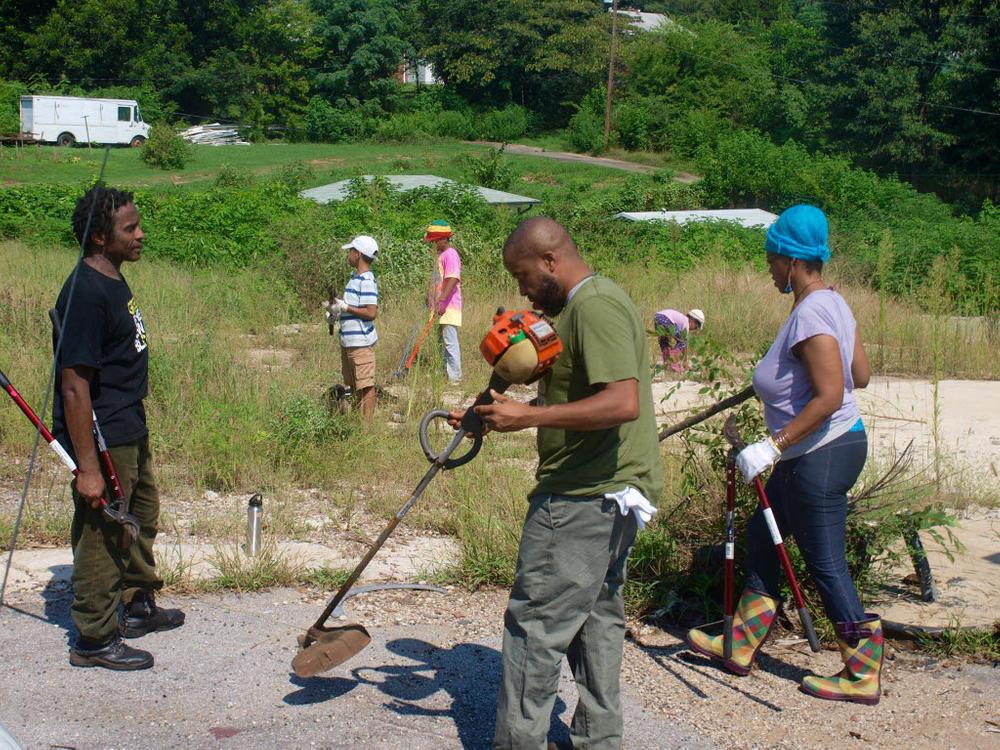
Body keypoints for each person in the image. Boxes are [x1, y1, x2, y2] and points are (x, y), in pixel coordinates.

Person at [454, 217, 663, 748]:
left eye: (523, 276)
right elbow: (529, 354)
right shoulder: (570, 309)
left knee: (535, 629)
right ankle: (600, 739)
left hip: (581, 496)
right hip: (611, 493)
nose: (521, 288)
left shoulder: (594, 306)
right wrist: (485, 406)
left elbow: (622, 402)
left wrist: (528, 418)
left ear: (550, 261)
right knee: (596, 621)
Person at [686, 204, 880, 705]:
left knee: (825, 562)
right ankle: (743, 641)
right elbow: (860, 375)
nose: (769, 268)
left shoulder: (814, 311)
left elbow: (833, 393)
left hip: (821, 453)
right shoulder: (834, 304)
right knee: (760, 535)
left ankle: (862, 669)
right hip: (827, 449)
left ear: (791, 261)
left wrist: (774, 445)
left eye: (771, 259)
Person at [52, 185, 184, 671]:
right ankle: (94, 636)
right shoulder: (85, 292)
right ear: (101, 237)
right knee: (103, 531)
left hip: (129, 422)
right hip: (102, 433)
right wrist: (88, 467)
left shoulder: (112, 278)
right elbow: (73, 387)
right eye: (130, 229)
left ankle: (137, 601)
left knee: (141, 515)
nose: (141, 235)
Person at [325, 235, 379, 421]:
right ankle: (357, 423)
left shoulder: (367, 280)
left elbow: (371, 312)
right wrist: (335, 312)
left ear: (358, 254)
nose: (348, 255)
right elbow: (351, 308)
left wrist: (345, 307)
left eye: (351, 251)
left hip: (361, 343)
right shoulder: (353, 278)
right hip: (348, 341)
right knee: (353, 385)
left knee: (366, 386)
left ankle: (366, 430)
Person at [424, 220, 462, 382]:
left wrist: (442, 300)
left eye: (433, 241)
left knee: (449, 341)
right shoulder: (440, 255)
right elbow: (436, 279)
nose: (432, 244)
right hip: (438, 306)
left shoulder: (451, 254)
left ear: (442, 239)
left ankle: (455, 377)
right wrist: (429, 296)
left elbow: (452, 278)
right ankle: (443, 372)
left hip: (448, 306)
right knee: (440, 341)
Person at [652, 308, 705, 372]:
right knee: (682, 341)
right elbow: (684, 343)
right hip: (666, 318)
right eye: (696, 327)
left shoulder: (682, 320)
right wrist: (685, 361)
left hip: (657, 317)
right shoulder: (686, 322)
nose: (694, 329)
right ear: (693, 320)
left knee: (664, 341)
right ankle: (674, 365)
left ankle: (667, 363)